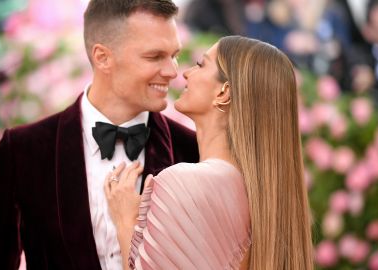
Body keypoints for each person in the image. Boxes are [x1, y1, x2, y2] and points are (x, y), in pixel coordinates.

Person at [0, 0, 199, 269]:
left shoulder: (193, 152)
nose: (173, 71)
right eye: (155, 56)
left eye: (174, 55)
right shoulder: (22, 151)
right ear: (102, 57)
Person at [105, 36, 314, 269]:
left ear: (224, 93)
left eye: (201, 65)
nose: (186, 73)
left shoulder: (183, 183)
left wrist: (125, 221)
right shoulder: (267, 198)